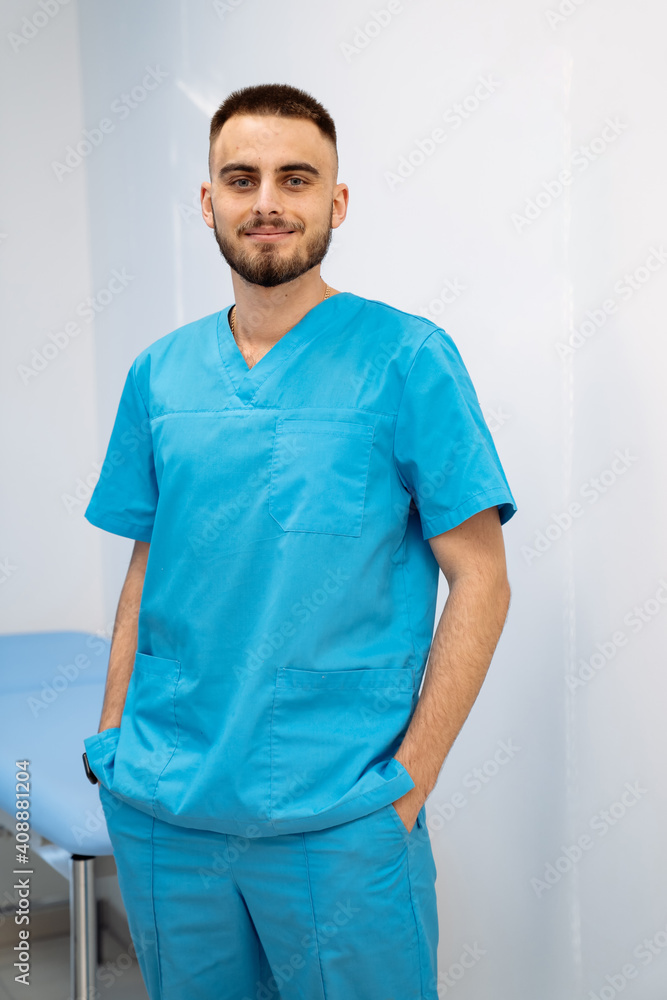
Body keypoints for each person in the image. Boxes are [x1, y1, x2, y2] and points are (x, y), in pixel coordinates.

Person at [82, 82, 517, 1000]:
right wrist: (115, 737)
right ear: (208, 203)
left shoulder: (406, 358)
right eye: (241, 179)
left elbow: (481, 580)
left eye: (296, 178)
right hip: (166, 804)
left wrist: (404, 788)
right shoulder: (160, 374)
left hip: (338, 814)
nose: (267, 202)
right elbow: (149, 561)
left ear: (336, 201)